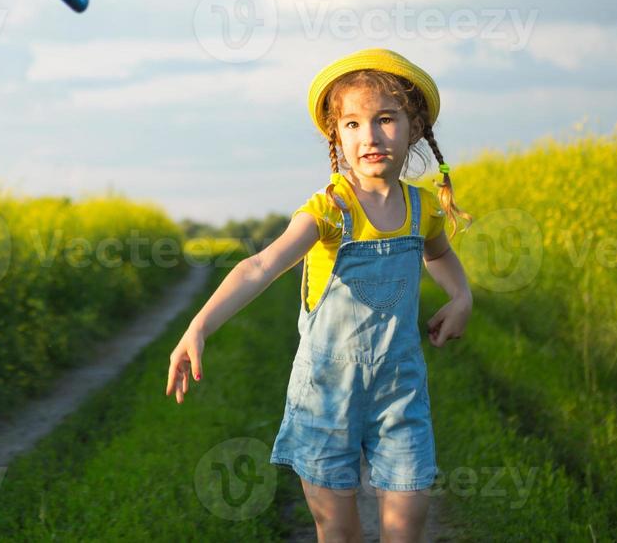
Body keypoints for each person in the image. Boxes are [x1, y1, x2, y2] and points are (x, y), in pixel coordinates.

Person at [165, 48, 474, 543]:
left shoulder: (422, 209)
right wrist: (197, 327)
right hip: (326, 397)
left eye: (385, 119)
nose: (369, 136)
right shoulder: (330, 210)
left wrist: (461, 297)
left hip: (401, 393)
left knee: (407, 525)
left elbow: (438, 256)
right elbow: (260, 265)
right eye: (351, 124)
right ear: (337, 136)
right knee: (338, 529)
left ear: (414, 127)